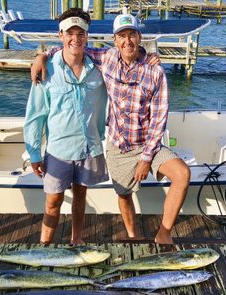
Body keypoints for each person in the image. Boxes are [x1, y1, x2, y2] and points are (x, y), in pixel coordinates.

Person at [31, 14, 191, 244]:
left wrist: (146, 158)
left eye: (132, 35)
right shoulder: (106, 58)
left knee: (182, 174)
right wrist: (41, 56)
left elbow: (159, 120)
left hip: (149, 145)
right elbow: (72, 48)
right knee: (124, 196)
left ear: (140, 38)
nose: (128, 41)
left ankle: (164, 234)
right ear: (114, 40)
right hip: (118, 146)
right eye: (122, 36)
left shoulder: (156, 72)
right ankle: (133, 236)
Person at [24, 8, 109, 245]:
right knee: (53, 201)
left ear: (87, 36)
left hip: (89, 146)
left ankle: (77, 239)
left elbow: (126, 58)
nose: (75, 38)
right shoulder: (46, 69)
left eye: (80, 33)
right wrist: (33, 152)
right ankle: (45, 245)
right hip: (58, 150)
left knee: (81, 195)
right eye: (70, 32)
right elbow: (35, 115)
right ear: (60, 35)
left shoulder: (99, 68)